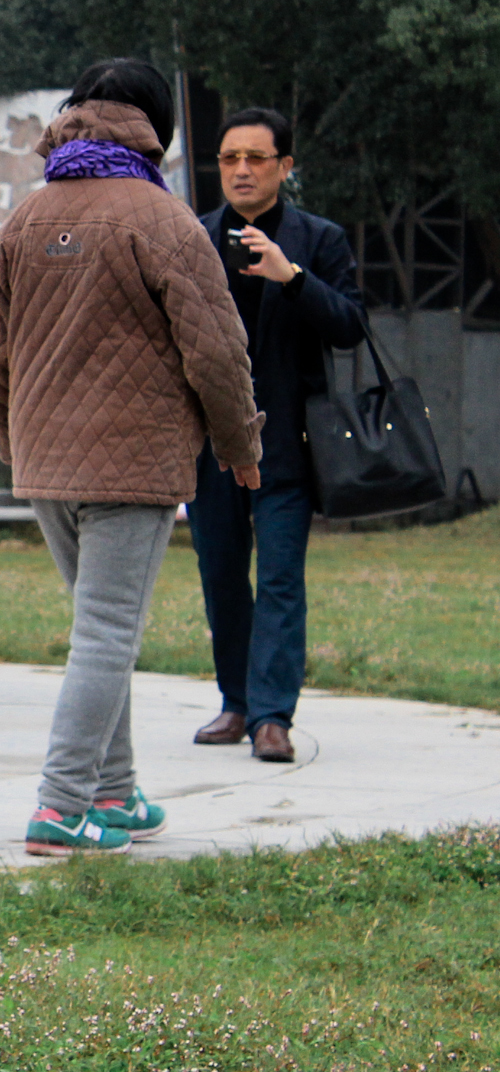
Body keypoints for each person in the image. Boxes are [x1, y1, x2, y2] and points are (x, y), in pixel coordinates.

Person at [0, 58, 263, 858]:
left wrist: (10, 437)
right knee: (107, 632)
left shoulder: (24, 218)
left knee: (103, 626)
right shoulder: (162, 219)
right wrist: (241, 446)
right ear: (156, 129)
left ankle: (113, 788)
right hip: (132, 459)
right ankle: (62, 806)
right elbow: (216, 349)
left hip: (45, 462)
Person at [187, 107, 364, 764]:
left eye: (256, 158)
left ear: (285, 167)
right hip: (210, 443)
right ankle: (235, 702)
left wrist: (293, 279)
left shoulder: (319, 239)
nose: (239, 170)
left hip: (288, 440)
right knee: (222, 575)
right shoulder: (194, 238)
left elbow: (349, 324)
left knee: (283, 578)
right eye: (229, 157)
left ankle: (271, 716)